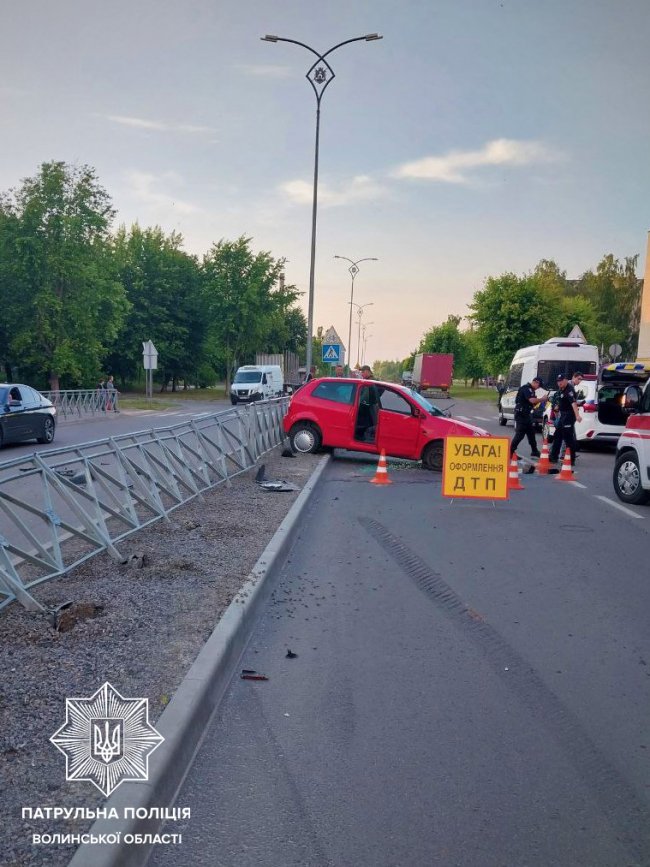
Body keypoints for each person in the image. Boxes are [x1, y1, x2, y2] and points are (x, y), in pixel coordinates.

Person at [549, 373, 582, 467]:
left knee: (568, 438)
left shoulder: (569, 389)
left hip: (569, 416)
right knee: (557, 435)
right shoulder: (561, 389)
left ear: (566, 380)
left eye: (561, 381)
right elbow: (561, 400)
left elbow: (573, 403)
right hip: (563, 415)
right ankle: (553, 456)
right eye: (558, 381)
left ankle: (571, 459)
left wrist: (577, 416)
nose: (559, 383)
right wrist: (557, 407)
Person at [509, 376, 545, 459]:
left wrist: (539, 401)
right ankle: (511, 452)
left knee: (531, 433)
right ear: (536, 382)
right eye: (539, 386)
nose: (539, 388)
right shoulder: (526, 388)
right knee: (520, 434)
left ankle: (534, 451)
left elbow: (532, 403)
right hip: (521, 414)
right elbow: (531, 400)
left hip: (527, 414)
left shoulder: (531, 390)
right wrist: (542, 399)